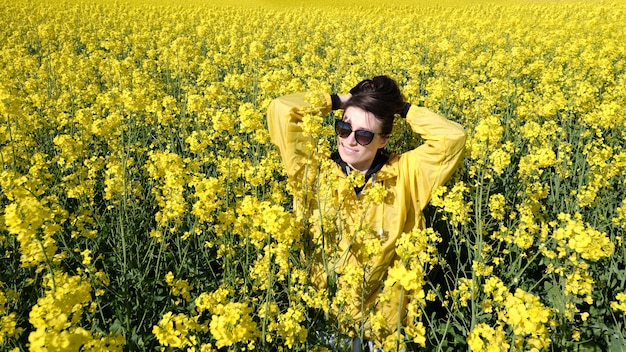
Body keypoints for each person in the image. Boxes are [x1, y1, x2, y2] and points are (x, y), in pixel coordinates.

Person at [267, 76, 466, 350]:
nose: (350, 140)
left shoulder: (407, 174)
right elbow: (281, 110)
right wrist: (340, 100)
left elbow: (452, 138)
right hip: (324, 319)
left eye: (363, 135)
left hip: (382, 327)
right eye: (343, 128)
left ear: (383, 140)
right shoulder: (311, 171)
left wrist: (400, 108)